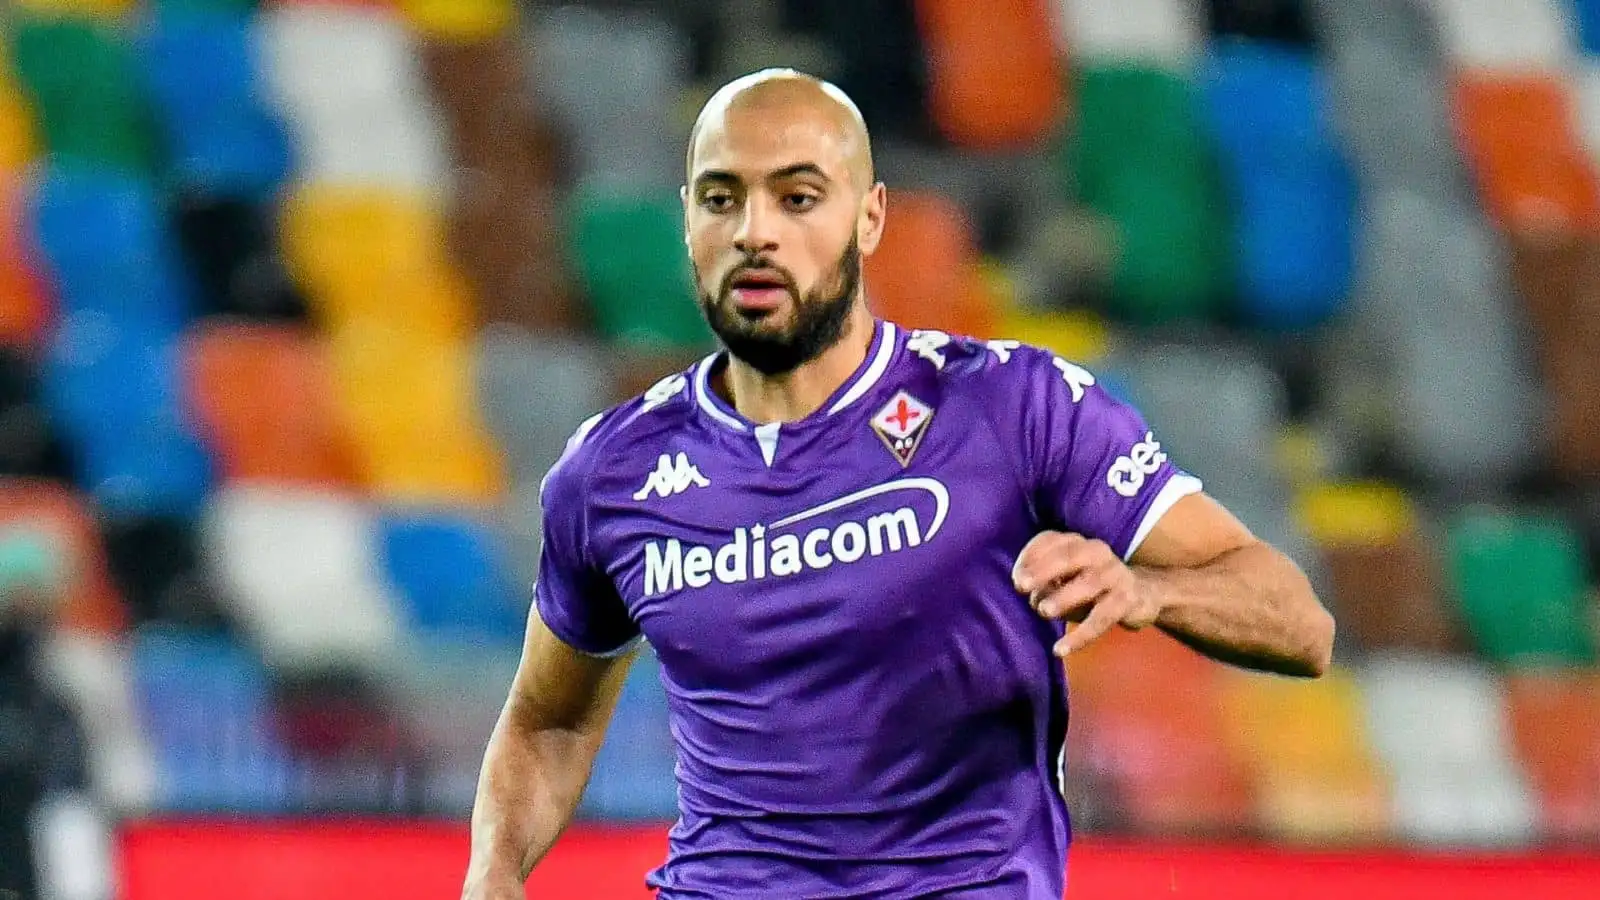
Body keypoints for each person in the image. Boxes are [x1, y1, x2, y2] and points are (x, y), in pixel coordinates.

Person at [462, 69, 1335, 899]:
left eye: (798, 197)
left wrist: (1148, 591)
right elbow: (549, 721)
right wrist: (494, 874)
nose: (755, 232)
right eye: (722, 198)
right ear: (687, 219)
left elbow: (1299, 623)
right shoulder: (612, 472)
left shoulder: (1012, 406)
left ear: (870, 218)